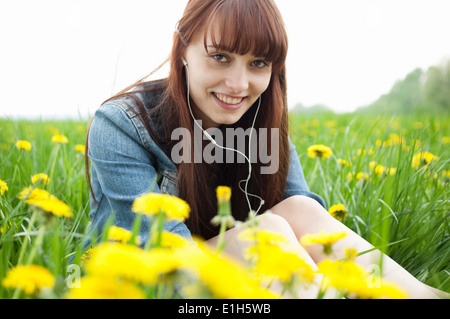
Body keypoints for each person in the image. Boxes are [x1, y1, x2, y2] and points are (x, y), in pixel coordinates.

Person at [85, 0, 444, 298]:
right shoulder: (121, 125)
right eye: (220, 57)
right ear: (183, 50)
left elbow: (306, 233)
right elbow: (169, 261)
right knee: (268, 230)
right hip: (149, 283)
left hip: (242, 283)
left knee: (298, 209)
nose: (239, 85)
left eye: (258, 63)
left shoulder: (263, 123)